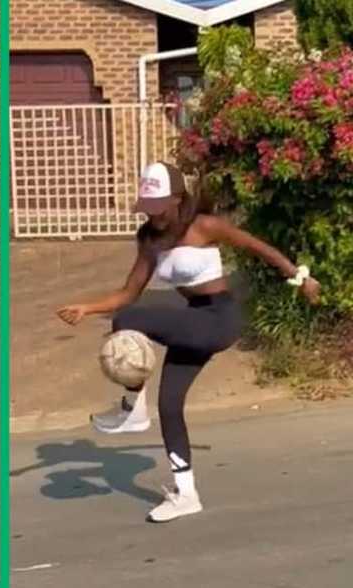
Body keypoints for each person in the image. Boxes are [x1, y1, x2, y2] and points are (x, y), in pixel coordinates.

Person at [57, 162, 321, 523]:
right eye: (148, 210)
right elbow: (128, 292)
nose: (155, 217)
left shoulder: (204, 226)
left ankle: (132, 407)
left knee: (129, 321)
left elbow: (261, 248)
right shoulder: (149, 239)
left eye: (160, 209)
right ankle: (186, 494)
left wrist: (301, 278)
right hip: (192, 319)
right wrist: (86, 308)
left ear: (178, 199)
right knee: (168, 405)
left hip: (219, 319)